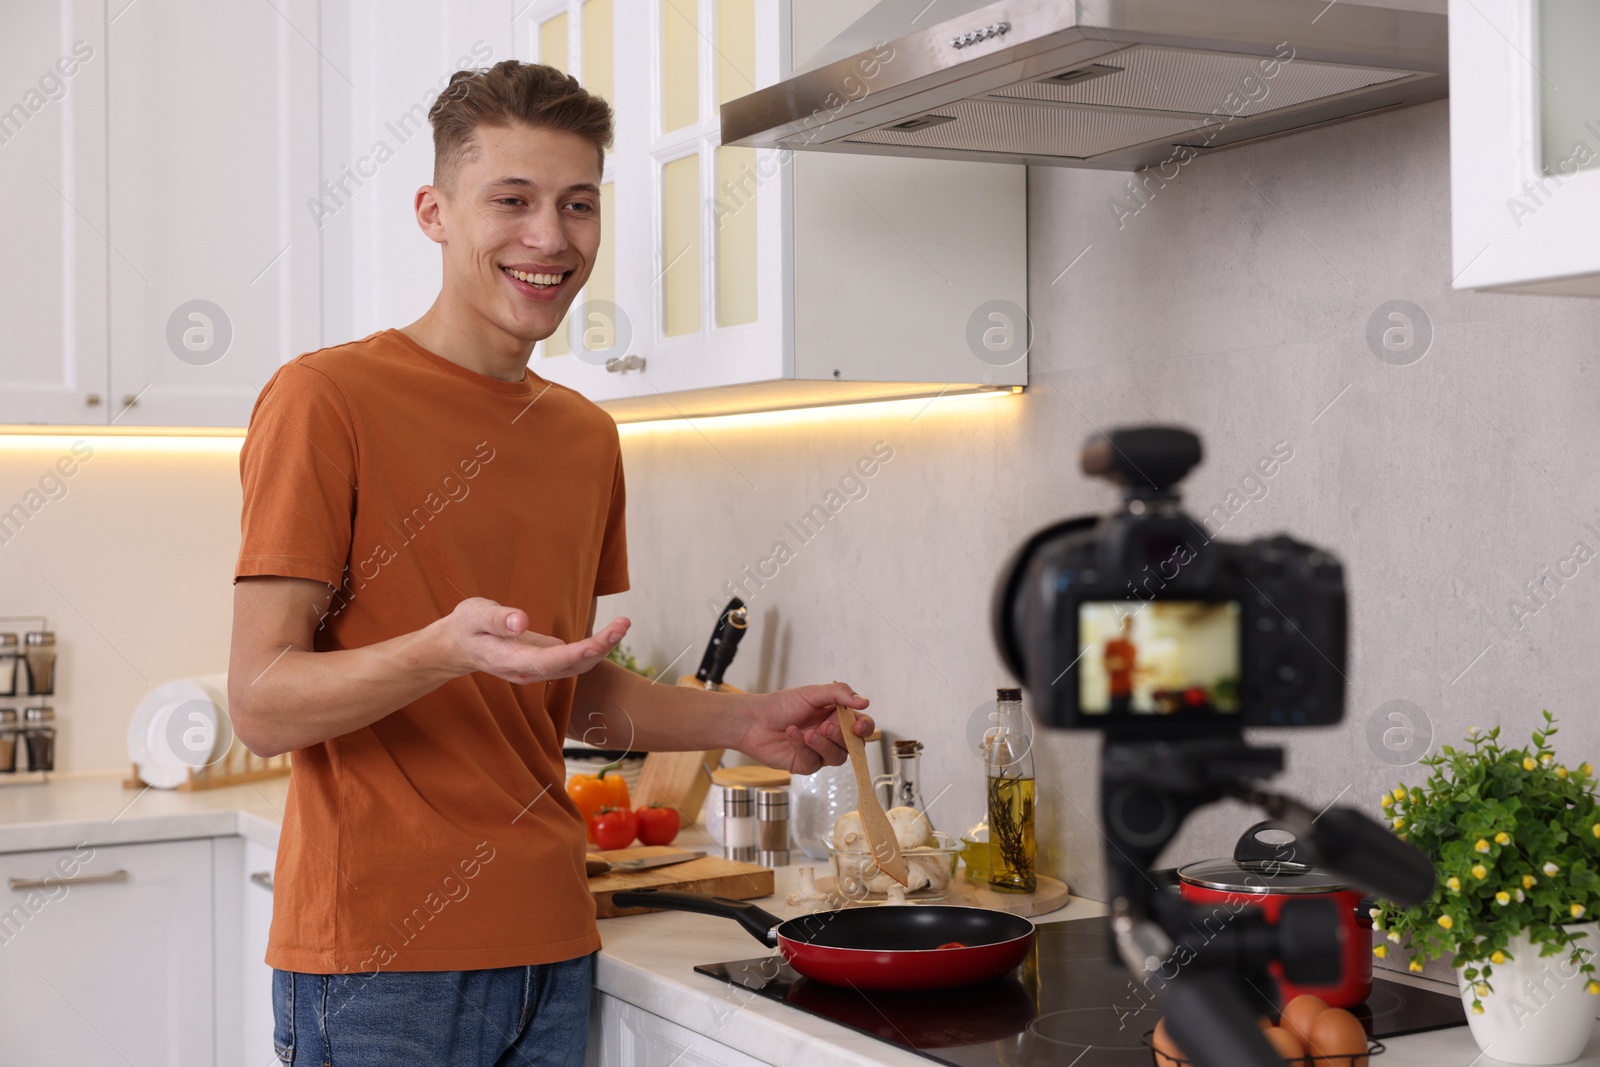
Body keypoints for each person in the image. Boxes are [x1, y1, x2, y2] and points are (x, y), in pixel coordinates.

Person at [226, 61, 874, 1066]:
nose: (549, 238)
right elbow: (262, 702)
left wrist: (744, 719)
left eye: (578, 205)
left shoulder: (583, 434)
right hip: (376, 965)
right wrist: (441, 647)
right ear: (434, 212)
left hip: (553, 948)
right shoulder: (325, 400)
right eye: (512, 201)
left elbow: (563, 692)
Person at [1104, 613, 1138, 714]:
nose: (1128, 627)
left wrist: (1146, 671)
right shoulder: (1111, 643)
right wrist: (1113, 663)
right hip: (1115, 691)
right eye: (1126, 624)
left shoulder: (1132, 647)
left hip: (1129, 690)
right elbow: (1104, 665)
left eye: (1130, 625)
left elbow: (1133, 668)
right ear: (1121, 625)